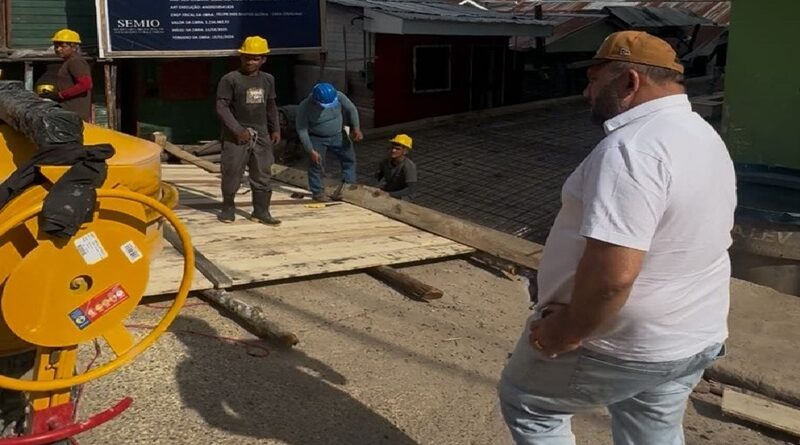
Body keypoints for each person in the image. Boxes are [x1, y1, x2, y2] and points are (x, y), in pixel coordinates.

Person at [498, 31, 736, 445]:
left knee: (530, 405)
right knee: (650, 429)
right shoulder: (700, 132)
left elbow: (612, 276)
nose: (587, 93)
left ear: (629, 82)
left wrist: (568, 330)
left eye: (594, 81)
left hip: (621, 341)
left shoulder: (632, 150)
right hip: (692, 333)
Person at [215, 36, 281, 225]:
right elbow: (222, 107)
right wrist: (237, 129)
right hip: (235, 136)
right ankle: (228, 208)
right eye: (247, 57)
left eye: (255, 58)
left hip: (261, 134)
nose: (250, 62)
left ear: (263, 60)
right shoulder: (230, 79)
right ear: (241, 57)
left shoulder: (268, 80)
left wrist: (275, 128)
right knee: (232, 172)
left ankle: (261, 211)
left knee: (262, 172)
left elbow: (271, 105)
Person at [295, 82, 363, 202]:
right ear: (315, 100)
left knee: (349, 159)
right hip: (317, 138)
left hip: (338, 135)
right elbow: (302, 130)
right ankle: (318, 192)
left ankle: (349, 186)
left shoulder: (339, 96)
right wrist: (310, 150)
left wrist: (356, 127)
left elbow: (351, 109)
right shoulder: (305, 107)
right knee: (316, 164)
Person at [39, 29, 93, 122]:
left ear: (74, 47)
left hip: (74, 115)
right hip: (69, 113)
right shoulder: (68, 62)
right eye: (56, 46)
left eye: (62, 46)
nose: (58, 49)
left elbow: (86, 84)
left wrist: (60, 95)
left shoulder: (76, 61)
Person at [374, 134, 417, 200]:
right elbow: (378, 178)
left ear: (405, 151)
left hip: (404, 196)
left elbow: (411, 189)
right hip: (390, 191)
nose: (393, 151)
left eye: (397, 149)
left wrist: (389, 194)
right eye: (392, 148)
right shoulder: (384, 162)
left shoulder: (409, 166)